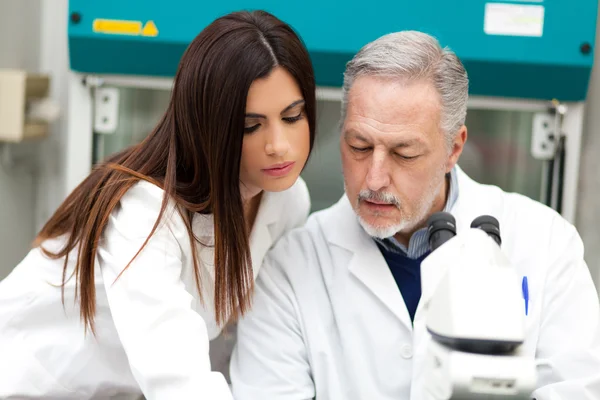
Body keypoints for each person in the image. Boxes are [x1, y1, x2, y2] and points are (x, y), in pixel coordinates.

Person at [230, 31, 600, 399]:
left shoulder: (545, 244)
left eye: (404, 153)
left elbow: (575, 389)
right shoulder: (288, 270)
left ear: (454, 148)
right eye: (359, 146)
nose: (374, 179)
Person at [0, 10, 316, 400]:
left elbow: (246, 339)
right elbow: (175, 376)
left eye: (292, 116)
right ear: (209, 125)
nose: (279, 145)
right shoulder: (147, 208)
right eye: (251, 125)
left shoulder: (287, 201)